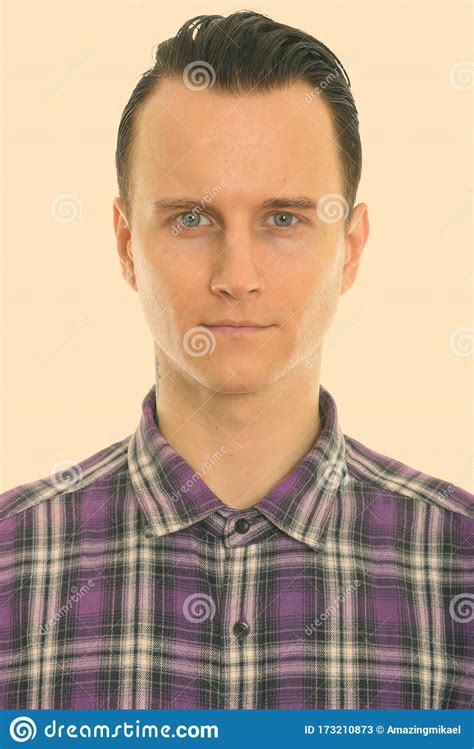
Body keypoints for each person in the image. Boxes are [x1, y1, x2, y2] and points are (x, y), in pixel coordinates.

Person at [1, 10, 472, 710]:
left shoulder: (458, 569)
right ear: (127, 244)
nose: (238, 275)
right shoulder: (13, 568)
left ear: (351, 245)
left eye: (284, 218)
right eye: (192, 218)